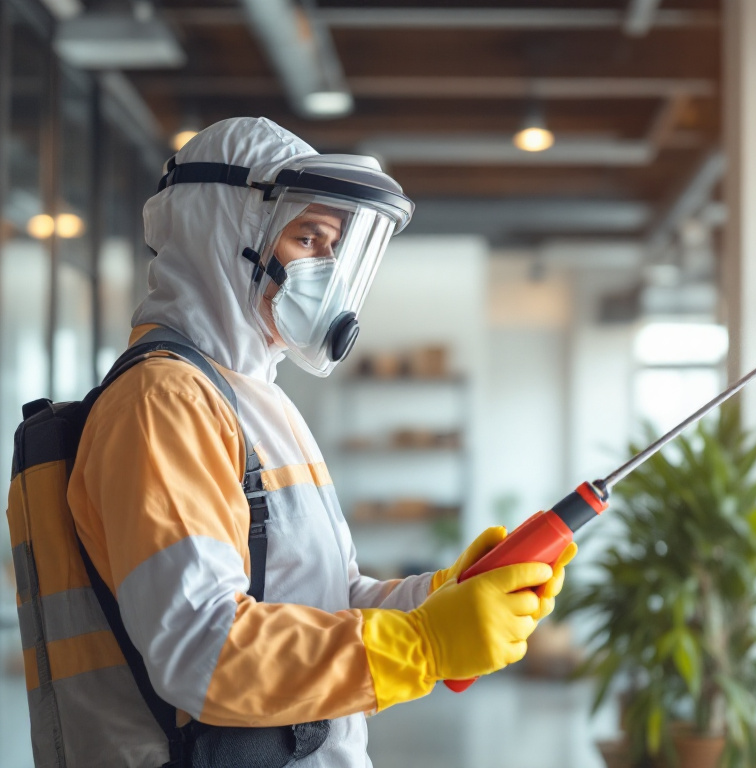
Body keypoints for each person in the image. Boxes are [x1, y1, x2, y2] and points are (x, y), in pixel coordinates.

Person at [65, 116, 577, 767]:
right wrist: (420, 644)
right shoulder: (164, 402)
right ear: (227, 230)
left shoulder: (255, 396)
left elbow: (322, 599)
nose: (325, 273)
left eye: (331, 249)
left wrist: (441, 598)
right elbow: (204, 650)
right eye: (308, 239)